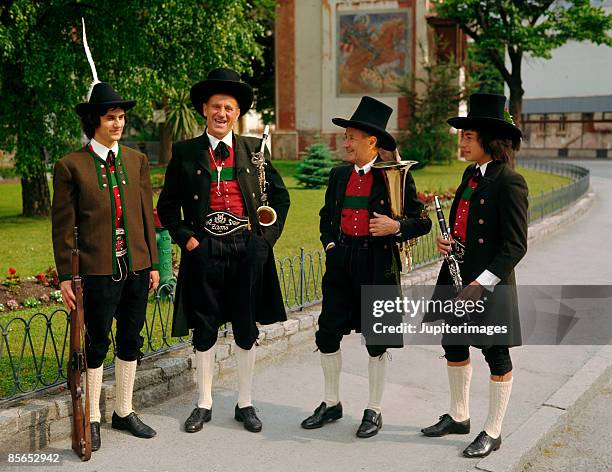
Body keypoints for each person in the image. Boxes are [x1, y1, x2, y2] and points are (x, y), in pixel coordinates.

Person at [157, 68, 290, 434]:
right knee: (204, 327)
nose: (222, 114)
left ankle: (245, 403)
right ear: (204, 109)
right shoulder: (185, 152)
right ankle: (204, 403)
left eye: (229, 108)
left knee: (246, 327)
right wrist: (188, 240)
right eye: (216, 106)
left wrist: (265, 239)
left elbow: (280, 196)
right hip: (204, 250)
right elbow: (167, 206)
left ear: (237, 113)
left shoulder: (254, 150)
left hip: (247, 248)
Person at [301, 96, 432, 438]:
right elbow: (325, 217)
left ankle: (374, 410)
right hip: (341, 262)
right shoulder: (338, 174)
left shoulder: (395, 178)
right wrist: (330, 243)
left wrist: (395, 227)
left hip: (378, 266)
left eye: (351, 137)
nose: (345, 142)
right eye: (346, 137)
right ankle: (331, 403)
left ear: (371, 141)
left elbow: (422, 221)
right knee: (327, 334)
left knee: (377, 340)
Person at [52, 81, 160, 452]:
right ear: (94, 121)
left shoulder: (137, 160)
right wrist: (67, 276)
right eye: (110, 117)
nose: (118, 124)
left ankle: (124, 410)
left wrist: (154, 263)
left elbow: (148, 214)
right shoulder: (71, 166)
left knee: (131, 338)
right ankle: (93, 417)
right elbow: (63, 228)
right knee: (97, 344)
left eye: (121, 117)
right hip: (97, 270)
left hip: (137, 267)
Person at [421, 93, 528, 458]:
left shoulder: (510, 182)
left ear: (488, 140)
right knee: (452, 343)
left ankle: (493, 430)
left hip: (486, 283)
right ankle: (459, 414)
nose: (461, 141)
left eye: (468, 135)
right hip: (456, 274)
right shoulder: (471, 174)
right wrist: (448, 239)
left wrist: (481, 283)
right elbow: (463, 221)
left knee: (495, 354)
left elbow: (515, 247)